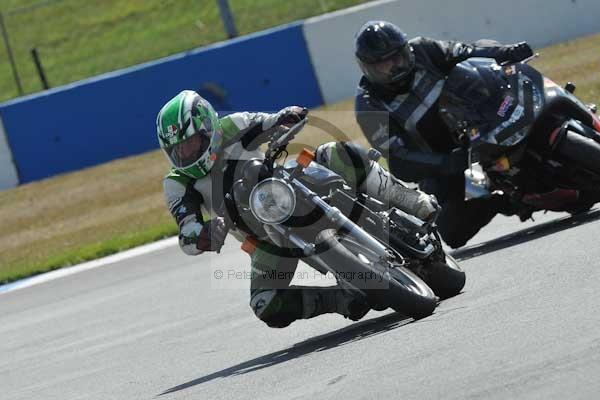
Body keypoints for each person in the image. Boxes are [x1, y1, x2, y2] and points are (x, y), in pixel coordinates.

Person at [157, 90, 439, 328]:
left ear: (208, 128)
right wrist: (204, 234)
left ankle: (412, 201)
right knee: (265, 304)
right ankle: (339, 299)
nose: (187, 154)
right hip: (264, 239)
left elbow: (268, 121)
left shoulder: (232, 125)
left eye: (191, 144)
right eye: (178, 151)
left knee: (336, 153)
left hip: (285, 184)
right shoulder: (178, 183)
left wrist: (286, 116)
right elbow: (187, 231)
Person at [353, 20, 539, 248]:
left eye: (397, 58)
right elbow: (399, 157)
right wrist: (445, 162)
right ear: (369, 68)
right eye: (384, 64)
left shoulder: (424, 49)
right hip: (443, 157)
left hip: (481, 119)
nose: (395, 67)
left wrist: (505, 51)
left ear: (406, 51)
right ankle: (504, 200)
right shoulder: (369, 105)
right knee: (451, 231)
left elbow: (468, 50)